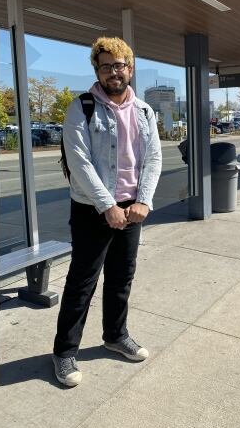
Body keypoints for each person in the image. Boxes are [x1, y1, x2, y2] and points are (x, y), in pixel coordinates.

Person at [52, 37, 162, 387]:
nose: (114, 72)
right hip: (92, 210)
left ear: (129, 67)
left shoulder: (145, 110)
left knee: (121, 277)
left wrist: (143, 199)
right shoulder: (81, 107)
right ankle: (65, 352)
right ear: (96, 70)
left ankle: (115, 336)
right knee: (82, 283)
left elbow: (153, 158)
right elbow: (79, 163)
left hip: (132, 209)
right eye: (106, 66)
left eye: (120, 65)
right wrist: (107, 206)